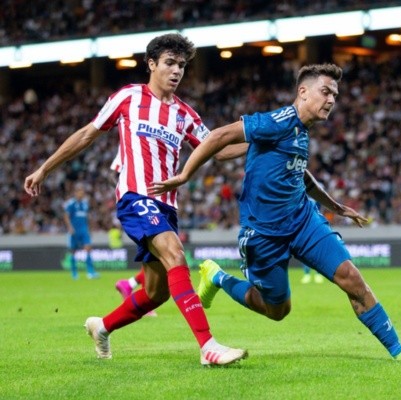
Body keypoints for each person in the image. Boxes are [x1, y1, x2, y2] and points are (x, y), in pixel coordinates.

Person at [151, 63, 401, 362]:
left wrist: (334, 206)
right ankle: (218, 277)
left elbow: (300, 174)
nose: (331, 100)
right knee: (277, 310)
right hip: (263, 233)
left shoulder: (303, 131)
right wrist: (185, 175)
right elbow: (220, 136)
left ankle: (399, 350)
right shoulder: (278, 121)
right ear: (303, 92)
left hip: (303, 221)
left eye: (335, 95)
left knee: (351, 277)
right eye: (325, 92)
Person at [24, 33, 247, 365]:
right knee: (175, 253)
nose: (176, 71)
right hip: (135, 196)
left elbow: (219, 150)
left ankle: (102, 326)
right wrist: (44, 168)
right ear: (152, 64)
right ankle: (208, 346)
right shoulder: (128, 97)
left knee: (156, 293)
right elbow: (87, 134)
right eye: (169, 63)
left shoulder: (186, 114)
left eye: (182, 66)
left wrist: (259, 139)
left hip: (167, 206)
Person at [63, 182, 99, 280]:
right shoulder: (70, 203)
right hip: (74, 230)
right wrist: (70, 227)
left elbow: (87, 217)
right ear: (75, 192)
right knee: (73, 251)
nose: (82, 193)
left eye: (83, 191)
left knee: (88, 248)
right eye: (80, 191)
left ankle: (90, 272)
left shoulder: (85, 204)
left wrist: (89, 229)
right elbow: (66, 216)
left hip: (84, 230)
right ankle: (74, 273)